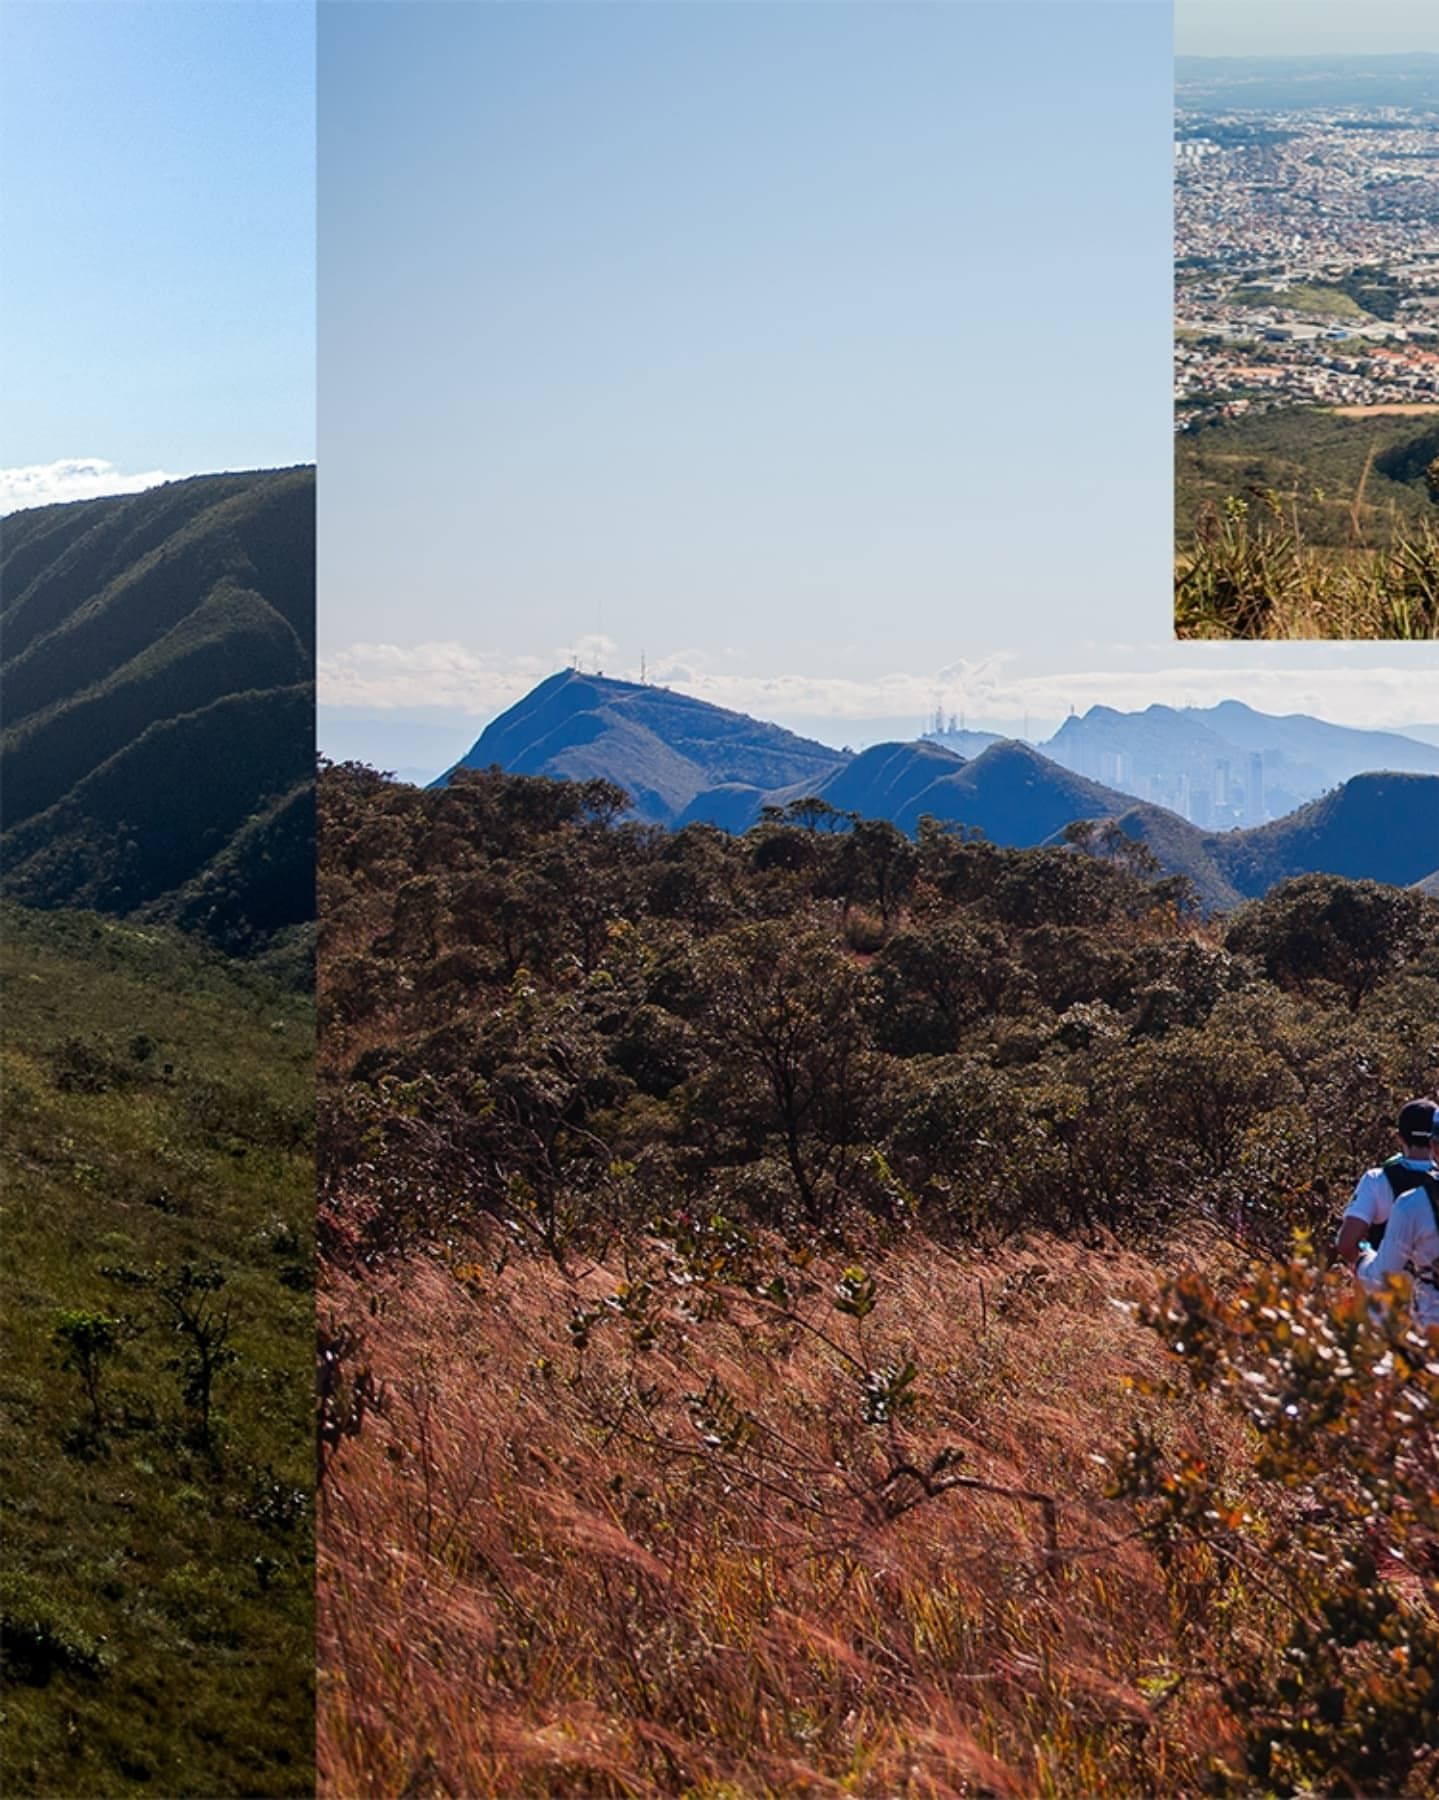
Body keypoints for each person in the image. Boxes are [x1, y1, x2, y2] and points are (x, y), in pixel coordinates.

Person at [1355, 1099, 1439, 1332]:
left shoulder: (1411, 1204)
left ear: (1435, 1147)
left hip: (1430, 1326)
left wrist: (1363, 1260)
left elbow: (1382, 1276)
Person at [1336, 1099, 1437, 1273]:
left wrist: (1364, 1262)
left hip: (1390, 1291)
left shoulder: (1377, 1180)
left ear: (1399, 1138)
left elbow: (1346, 1244)